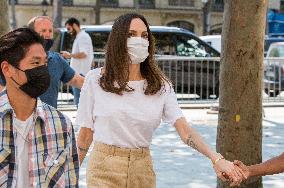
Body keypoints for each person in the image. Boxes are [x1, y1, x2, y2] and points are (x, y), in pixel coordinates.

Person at [76, 13, 245, 187]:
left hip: (142, 170)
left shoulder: (161, 86)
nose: (139, 40)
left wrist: (216, 159)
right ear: (118, 39)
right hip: (103, 169)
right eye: (131, 34)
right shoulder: (95, 80)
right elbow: (85, 136)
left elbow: (185, 131)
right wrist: (66, 176)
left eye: (144, 36)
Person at [0, 28, 79, 187]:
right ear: (7, 69)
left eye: (44, 63)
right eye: (35, 63)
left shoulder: (62, 125)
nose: (43, 71)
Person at [27, 16, 84, 108]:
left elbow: (77, 80)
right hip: (20, 120)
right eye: (43, 30)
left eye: (50, 31)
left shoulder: (57, 60)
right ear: (31, 34)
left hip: (49, 120)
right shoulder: (15, 59)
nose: (48, 34)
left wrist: (105, 84)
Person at [61, 17, 94, 108]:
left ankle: (82, 121)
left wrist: (69, 55)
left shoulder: (83, 37)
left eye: (69, 28)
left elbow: (84, 54)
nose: (68, 31)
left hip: (81, 73)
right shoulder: (80, 36)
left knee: (80, 102)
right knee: (80, 102)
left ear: (74, 25)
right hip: (80, 73)